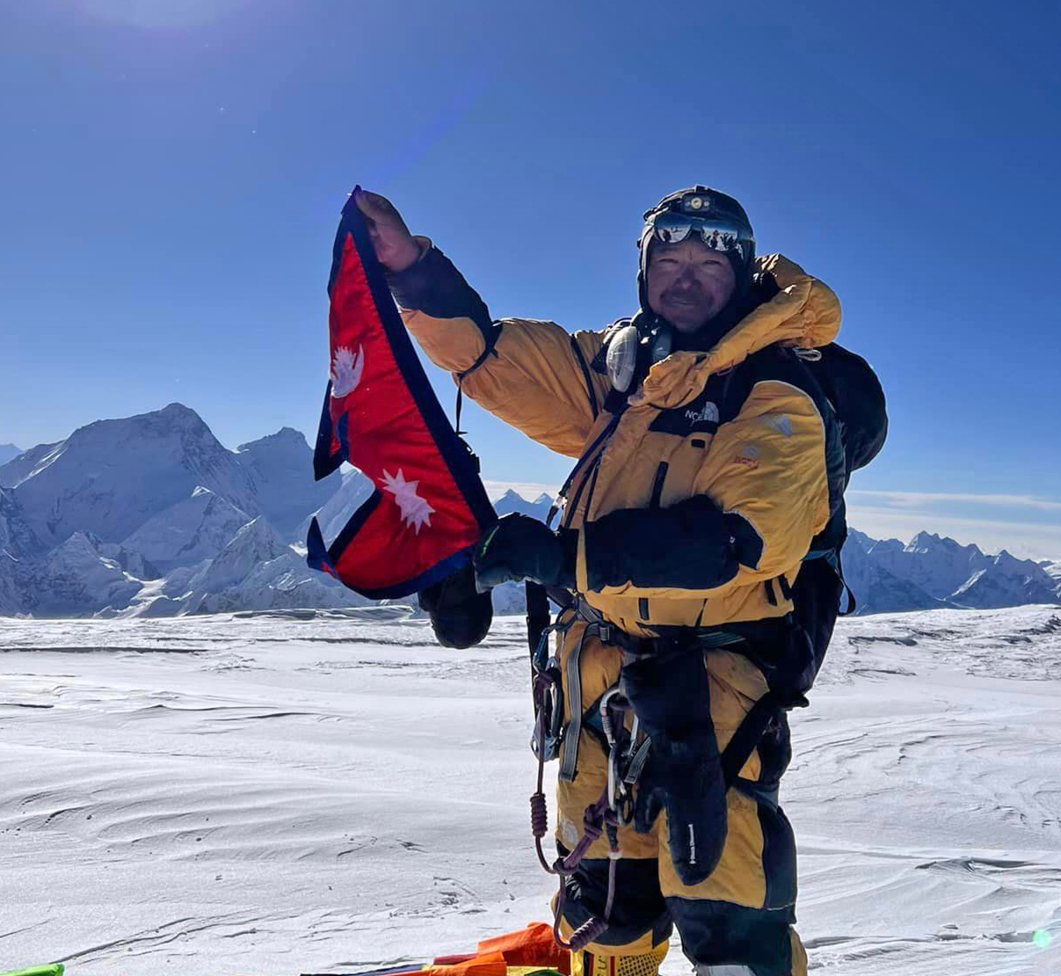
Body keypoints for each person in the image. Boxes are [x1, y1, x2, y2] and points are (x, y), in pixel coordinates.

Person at [363, 186, 848, 976]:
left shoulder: (778, 393)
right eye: (668, 260)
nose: (684, 278)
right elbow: (490, 356)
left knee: (733, 933)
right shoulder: (631, 374)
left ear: (741, 279)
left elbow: (740, 543)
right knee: (604, 924)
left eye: (706, 263)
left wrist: (566, 561)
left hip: (714, 715)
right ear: (644, 272)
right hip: (599, 708)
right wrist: (411, 271)